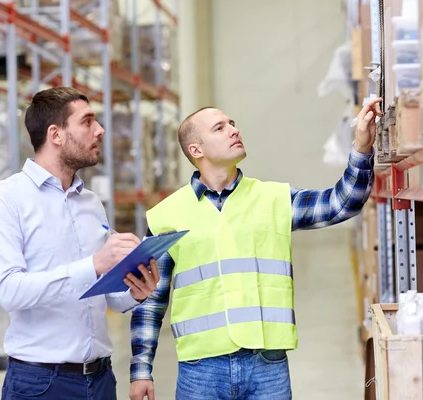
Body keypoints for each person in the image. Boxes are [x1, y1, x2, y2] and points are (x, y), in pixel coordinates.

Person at [128, 98, 382, 400]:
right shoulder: (165, 216)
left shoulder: (273, 198)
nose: (233, 130)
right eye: (219, 128)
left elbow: (343, 203)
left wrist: (362, 147)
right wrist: (141, 370)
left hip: (267, 365)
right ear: (196, 150)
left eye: (232, 123)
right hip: (200, 370)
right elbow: (150, 298)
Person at [0, 87, 160, 400]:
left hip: (100, 379)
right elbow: (10, 291)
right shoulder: (4, 199)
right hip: (41, 383)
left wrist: (135, 291)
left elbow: (108, 298)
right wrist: (94, 264)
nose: (100, 130)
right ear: (55, 134)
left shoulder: (90, 203)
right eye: (88, 121)